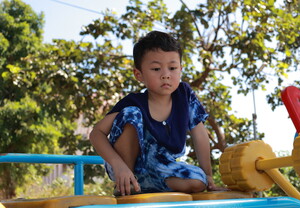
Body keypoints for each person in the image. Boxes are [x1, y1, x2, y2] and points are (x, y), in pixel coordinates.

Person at [90, 30, 225, 196]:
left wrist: (209, 175)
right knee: (131, 114)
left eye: (172, 68)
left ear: (180, 70)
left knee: (199, 181)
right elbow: (96, 133)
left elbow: (200, 135)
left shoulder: (184, 96)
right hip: (124, 167)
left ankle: (145, 185)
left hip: (160, 166)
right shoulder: (134, 101)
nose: (166, 75)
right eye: (156, 68)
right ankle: (127, 183)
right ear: (139, 74)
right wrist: (119, 166)